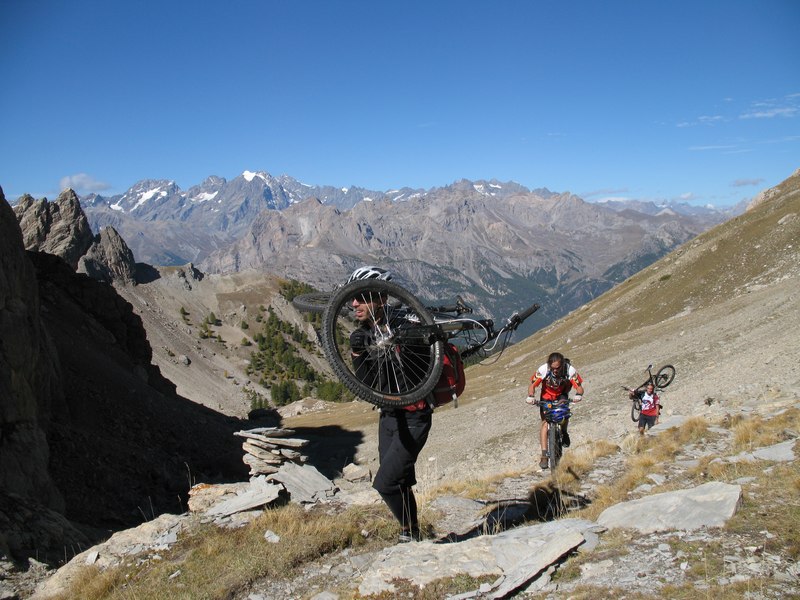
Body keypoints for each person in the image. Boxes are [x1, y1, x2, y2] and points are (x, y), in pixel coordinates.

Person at [347, 266, 432, 543]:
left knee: (385, 482)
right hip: (388, 417)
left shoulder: (404, 323)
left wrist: (404, 338)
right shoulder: (367, 332)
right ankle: (411, 533)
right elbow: (367, 383)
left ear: (381, 299)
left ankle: (410, 532)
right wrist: (358, 351)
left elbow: (422, 353)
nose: (354, 303)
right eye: (353, 298)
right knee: (402, 480)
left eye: (362, 298)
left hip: (415, 416)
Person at [526, 352, 584, 470]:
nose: (555, 371)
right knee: (545, 423)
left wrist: (578, 394)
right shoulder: (543, 369)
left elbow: (579, 387)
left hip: (561, 395)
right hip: (546, 397)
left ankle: (564, 431)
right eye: (552, 368)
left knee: (564, 415)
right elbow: (532, 385)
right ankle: (544, 455)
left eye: (557, 368)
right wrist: (531, 396)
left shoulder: (570, 370)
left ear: (562, 365)